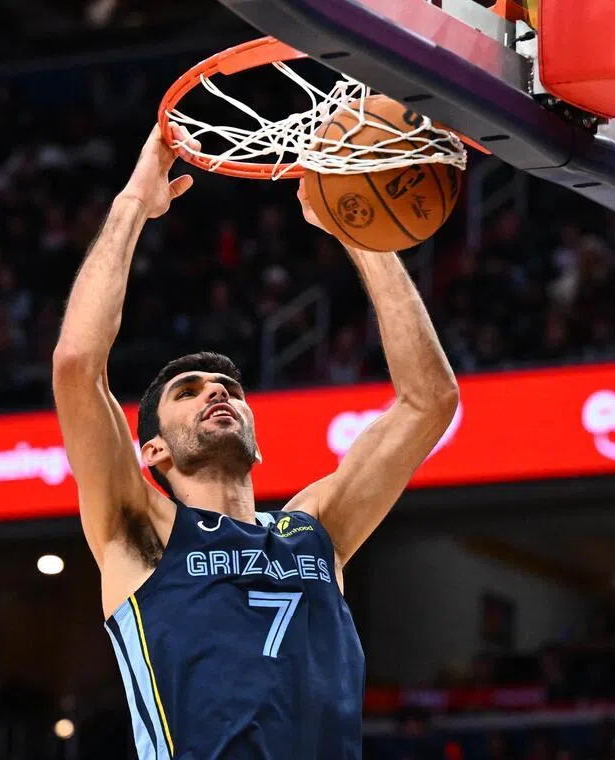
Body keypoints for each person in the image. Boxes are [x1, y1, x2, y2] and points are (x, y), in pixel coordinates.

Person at [52, 124, 459, 760]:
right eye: (188, 392)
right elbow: (78, 363)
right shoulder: (141, 531)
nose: (217, 393)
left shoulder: (314, 531)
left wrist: (356, 225)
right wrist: (134, 202)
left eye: (228, 388)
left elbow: (430, 403)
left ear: (255, 438)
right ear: (152, 451)